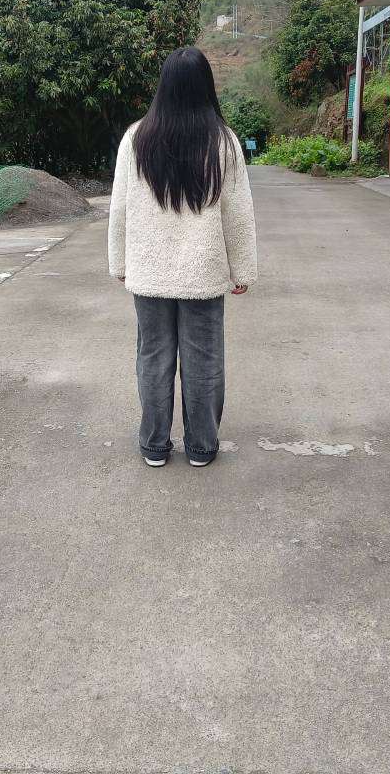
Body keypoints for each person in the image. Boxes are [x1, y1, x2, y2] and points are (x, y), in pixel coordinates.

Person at [107, 46, 257, 469]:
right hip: (203, 273)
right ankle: (201, 447)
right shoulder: (223, 141)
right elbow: (238, 212)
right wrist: (242, 268)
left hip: (149, 274)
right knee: (204, 361)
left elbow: (119, 207)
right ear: (206, 86)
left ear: (164, 87)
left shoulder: (136, 138)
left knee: (152, 358)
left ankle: (154, 445)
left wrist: (120, 262)